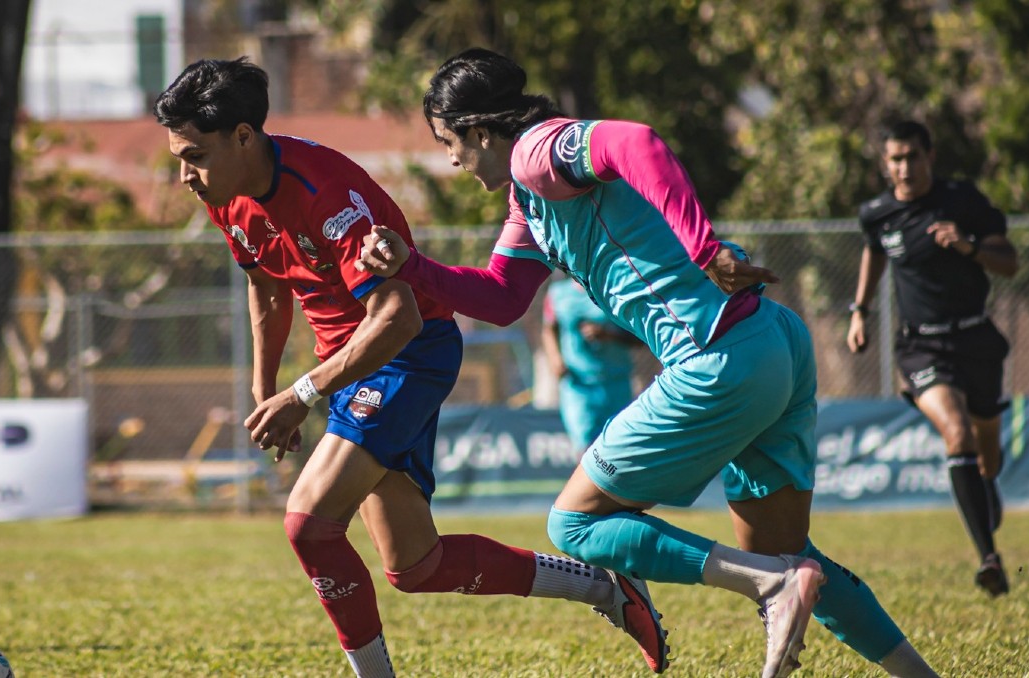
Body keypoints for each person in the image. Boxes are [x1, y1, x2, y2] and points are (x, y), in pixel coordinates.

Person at [358, 47, 939, 678]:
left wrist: (704, 247)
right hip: (772, 340)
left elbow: (636, 142)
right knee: (786, 549)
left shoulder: (535, 151)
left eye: (449, 142)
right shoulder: (529, 199)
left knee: (574, 526)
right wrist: (411, 266)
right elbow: (501, 297)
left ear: (478, 131)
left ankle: (771, 585)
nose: (452, 160)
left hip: (717, 356)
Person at [153, 56, 672, 677]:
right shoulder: (228, 193)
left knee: (309, 525)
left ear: (243, 136)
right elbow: (265, 287)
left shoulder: (325, 193)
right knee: (416, 566)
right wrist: (268, 393)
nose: (185, 175)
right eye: (179, 158)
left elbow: (396, 317)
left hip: (406, 354)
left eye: (194, 156)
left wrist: (302, 394)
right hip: (352, 366)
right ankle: (604, 588)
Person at [848, 120, 1019, 598]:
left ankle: (986, 483)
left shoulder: (962, 200)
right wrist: (860, 311)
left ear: (930, 156)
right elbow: (874, 253)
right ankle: (988, 558)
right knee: (957, 432)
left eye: (912, 157)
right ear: (885, 163)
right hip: (920, 346)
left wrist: (970, 247)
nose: (904, 167)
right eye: (895, 159)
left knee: (987, 449)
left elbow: (1009, 262)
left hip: (976, 339)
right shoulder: (877, 214)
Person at [541, 278, 637, 453]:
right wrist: (555, 359)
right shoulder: (558, 294)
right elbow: (549, 329)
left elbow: (639, 339)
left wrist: (608, 334)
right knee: (585, 447)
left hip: (616, 383)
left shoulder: (615, 289)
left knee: (620, 447)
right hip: (578, 384)